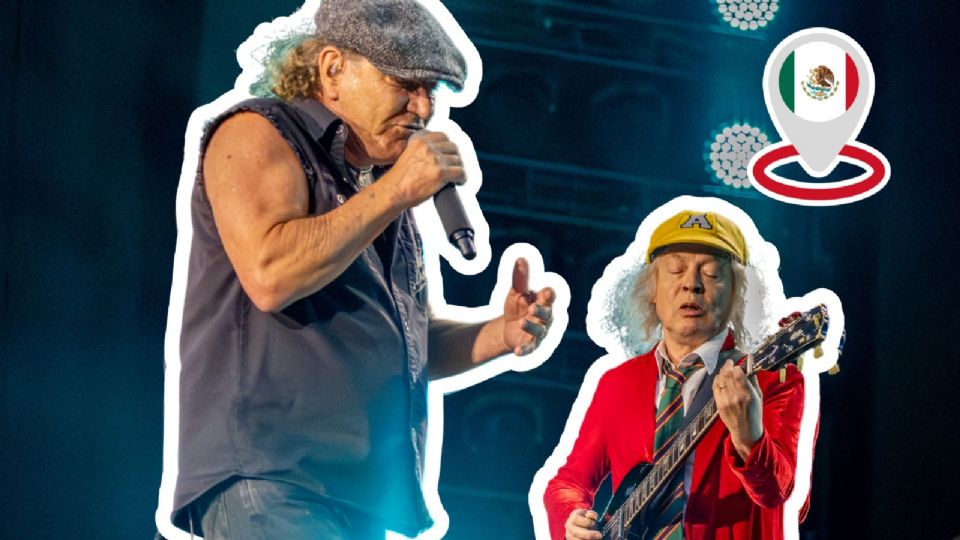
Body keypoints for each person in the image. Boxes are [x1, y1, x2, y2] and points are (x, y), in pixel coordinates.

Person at [168, 1, 556, 538]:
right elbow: (270, 273)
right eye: (406, 84)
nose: (424, 108)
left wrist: (500, 334)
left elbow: (408, 344)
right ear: (332, 70)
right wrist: (396, 191)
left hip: (360, 496)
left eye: (432, 91)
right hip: (272, 476)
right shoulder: (258, 132)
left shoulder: (376, 190)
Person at [544, 210, 809, 540]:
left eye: (711, 273)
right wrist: (571, 518)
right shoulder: (617, 383)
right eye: (675, 270)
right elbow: (568, 481)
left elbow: (784, 496)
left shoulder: (771, 380)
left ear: (735, 292)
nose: (691, 284)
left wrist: (749, 438)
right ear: (652, 290)